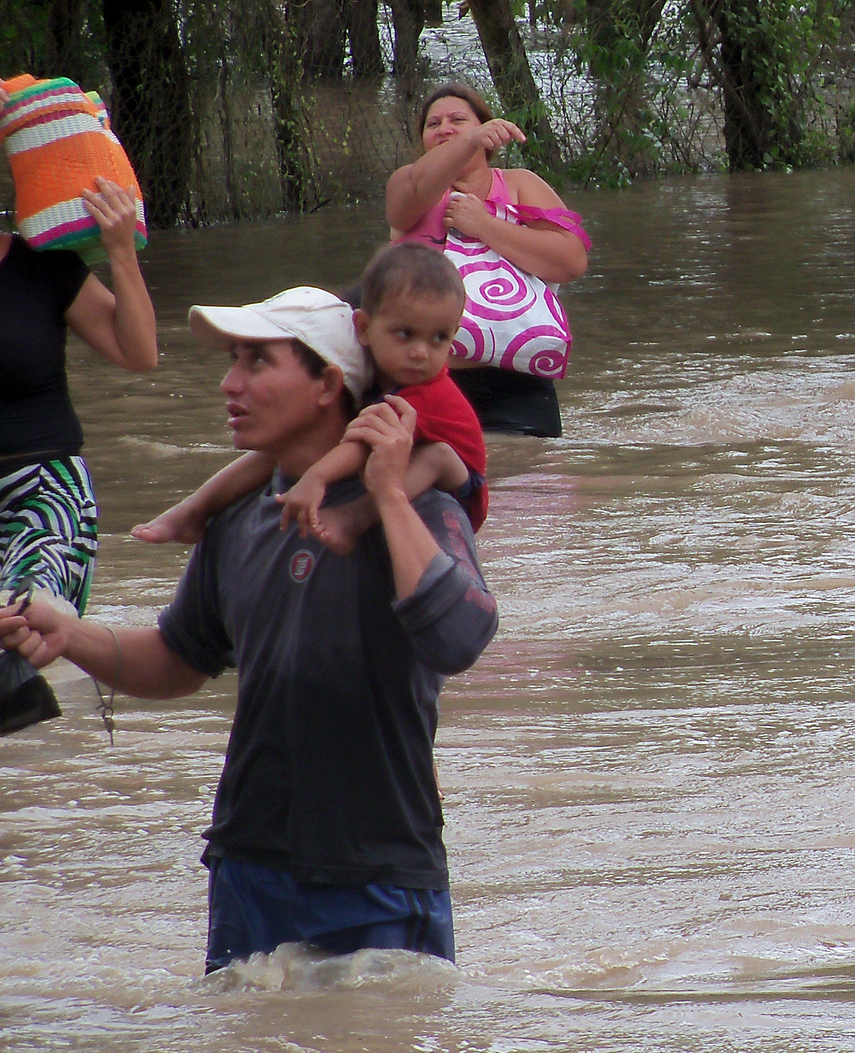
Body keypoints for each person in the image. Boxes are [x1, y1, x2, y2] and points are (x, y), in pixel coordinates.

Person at [0, 286, 498, 972]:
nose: (231, 384)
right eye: (234, 361)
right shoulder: (238, 519)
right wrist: (67, 632)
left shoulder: (421, 511)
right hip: (247, 863)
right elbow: (180, 657)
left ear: (329, 382)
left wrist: (384, 492)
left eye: (258, 362)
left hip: (379, 875)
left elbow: (459, 640)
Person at [133, 247, 488, 549]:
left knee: (435, 455)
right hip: (395, 449)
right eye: (405, 334)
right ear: (364, 329)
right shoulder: (377, 373)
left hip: (461, 483)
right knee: (280, 446)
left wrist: (316, 477)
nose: (420, 353)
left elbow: (363, 443)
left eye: (439, 339)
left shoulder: (423, 392)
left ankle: (355, 517)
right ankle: (194, 509)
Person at [0, 178, 155, 736]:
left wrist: (121, 254)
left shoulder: (42, 265)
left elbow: (139, 354)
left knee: (24, 615)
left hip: (47, 491)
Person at [387, 83, 588, 437]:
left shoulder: (520, 184)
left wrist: (483, 225)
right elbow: (414, 193)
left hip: (516, 380)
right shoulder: (407, 185)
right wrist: (464, 141)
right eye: (433, 124)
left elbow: (571, 262)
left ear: (486, 130)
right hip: (425, 376)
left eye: (458, 120)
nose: (444, 128)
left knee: (530, 485)